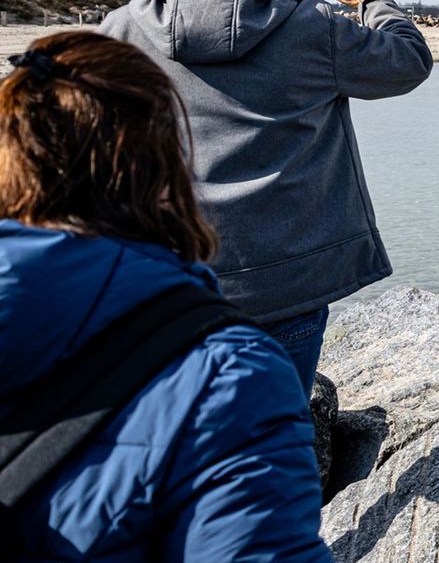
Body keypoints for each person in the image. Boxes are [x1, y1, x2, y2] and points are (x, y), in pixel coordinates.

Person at [0, 31, 330, 561]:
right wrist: (369, 3)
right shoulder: (227, 376)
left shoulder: (125, 21)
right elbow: (404, 61)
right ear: (164, 162)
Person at [100, 0, 433, 392]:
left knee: (173, 423)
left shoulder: (119, 30)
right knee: (275, 425)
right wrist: (369, 0)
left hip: (163, 273)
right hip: (283, 278)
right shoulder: (311, 24)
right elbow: (407, 62)